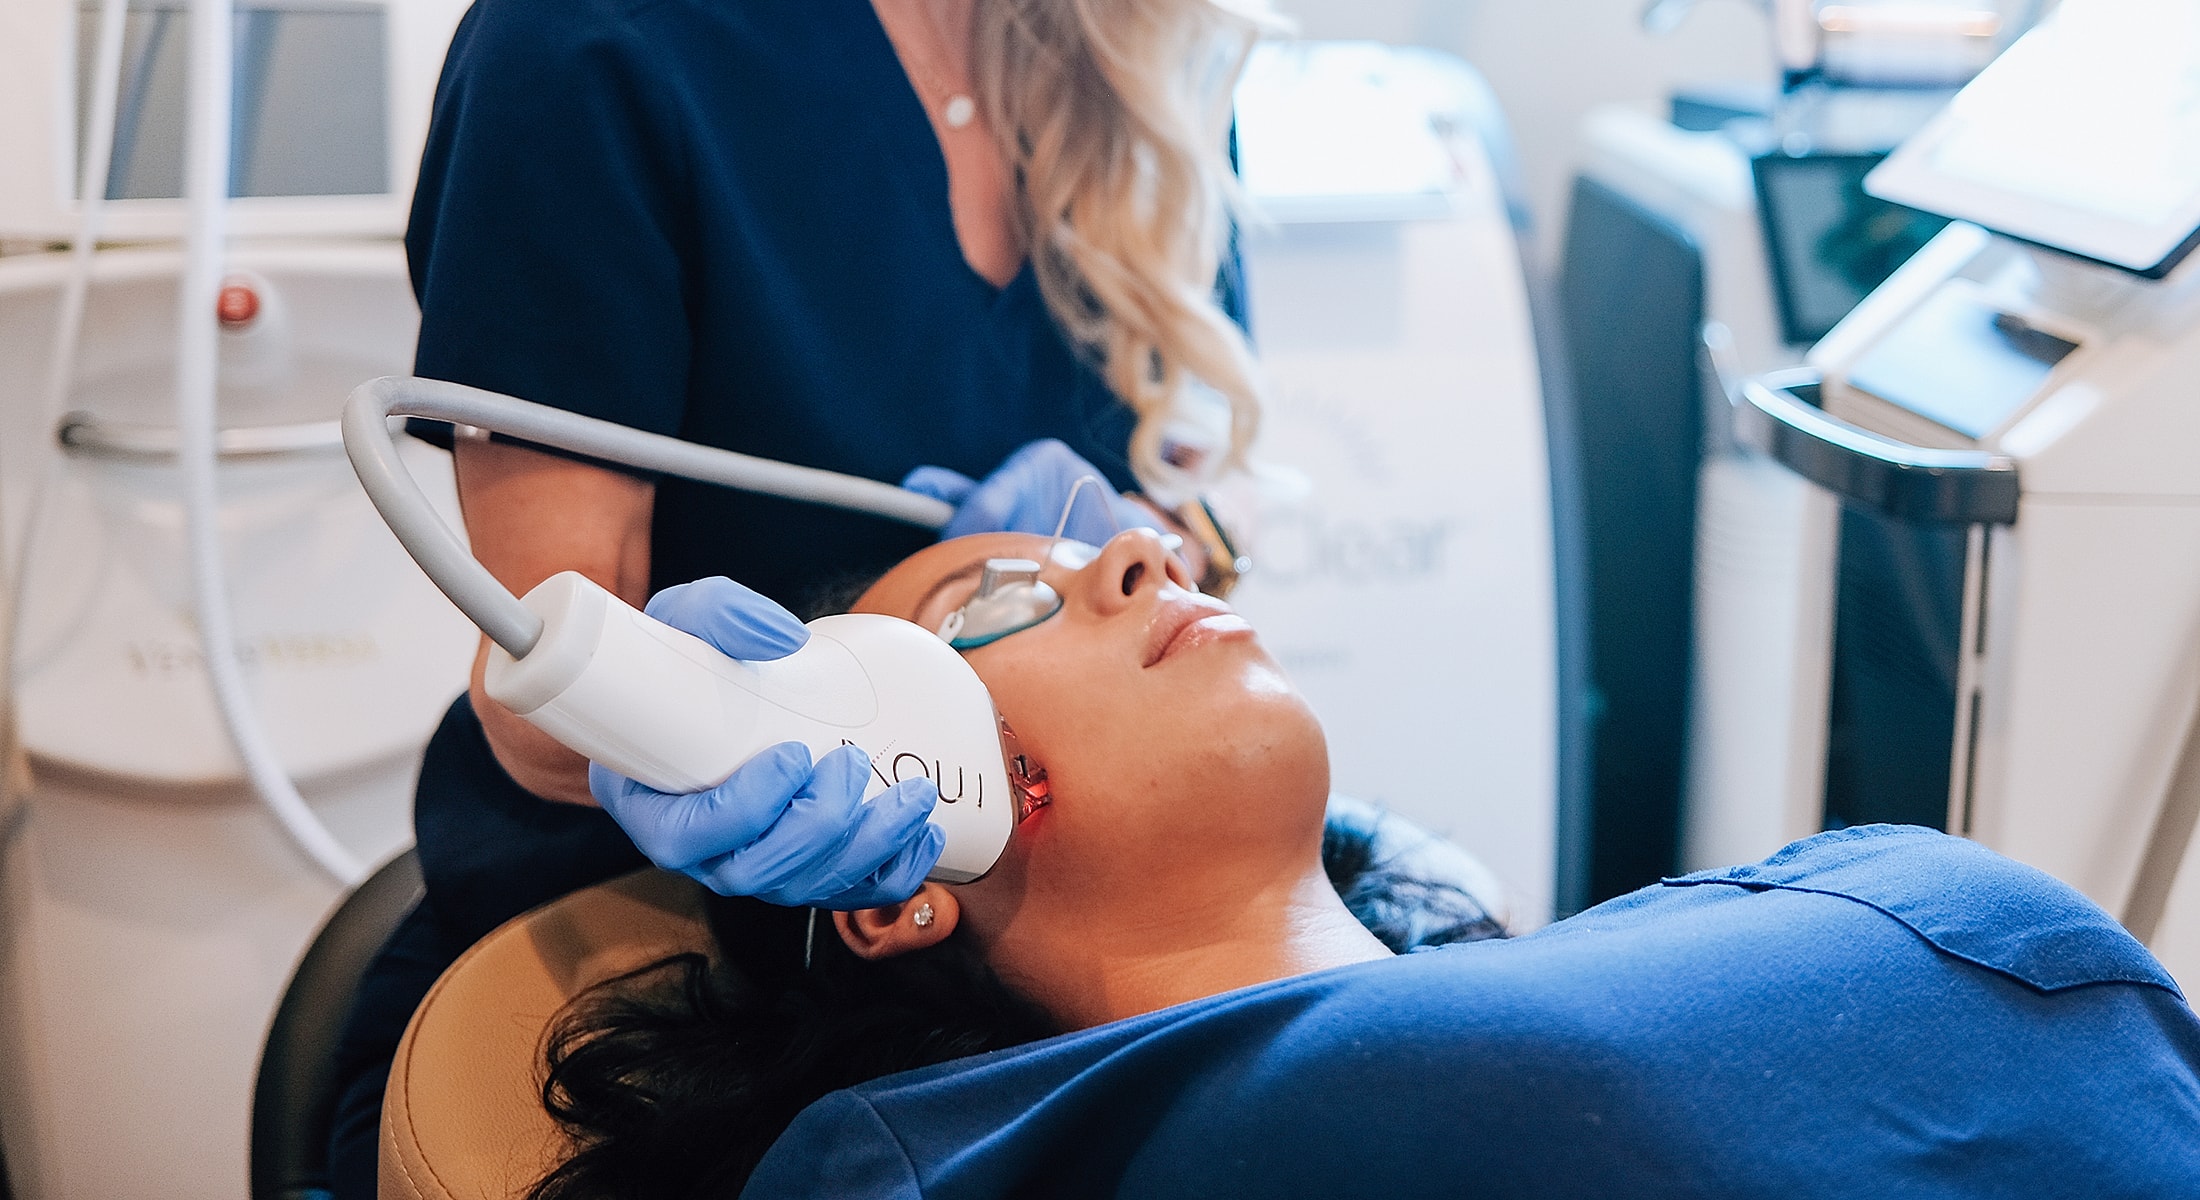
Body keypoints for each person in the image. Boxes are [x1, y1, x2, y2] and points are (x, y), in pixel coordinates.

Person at [327, 0, 1278, 1191]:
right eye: (988, 602)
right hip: (690, 1003)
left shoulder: (1148, 45)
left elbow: (1201, 503)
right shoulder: (585, 42)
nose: (1134, 576)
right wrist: (697, 718)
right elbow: (535, 686)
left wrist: (1168, 533)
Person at [538, 529, 2200, 1199]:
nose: (1139, 549)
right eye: (993, 608)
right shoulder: (946, 1166)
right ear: (895, 884)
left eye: (1127, 536)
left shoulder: (1816, 889)